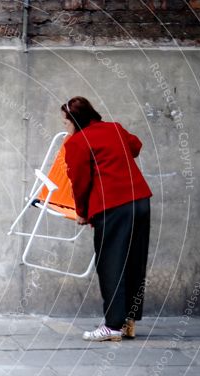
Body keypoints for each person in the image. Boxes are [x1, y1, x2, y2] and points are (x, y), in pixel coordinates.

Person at [60, 96, 152, 342]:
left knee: (111, 264)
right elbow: (135, 147)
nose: (65, 127)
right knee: (134, 261)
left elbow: (80, 182)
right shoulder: (115, 128)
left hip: (113, 206)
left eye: (65, 122)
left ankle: (112, 326)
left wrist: (81, 212)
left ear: (75, 120)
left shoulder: (77, 143)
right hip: (140, 201)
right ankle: (127, 323)